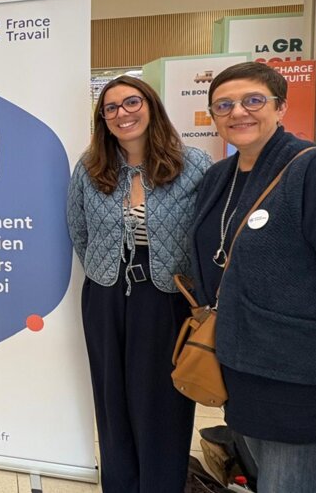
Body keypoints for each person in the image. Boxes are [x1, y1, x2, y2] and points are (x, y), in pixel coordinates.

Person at [67, 75, 212, 493]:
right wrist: (102, 268)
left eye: (131, 103)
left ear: (150, 106)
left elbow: (206, 233)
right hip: (105, 292)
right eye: (110, 108)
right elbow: (78, 228)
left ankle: (162, 484)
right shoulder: (91, 166)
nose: (121, 114)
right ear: (103, 119)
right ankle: (119, 484)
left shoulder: (193, 164)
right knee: (112, 399)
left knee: (161, 401)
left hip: (166, 296)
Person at [191, 61, 316, 492]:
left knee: (289, 480)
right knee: (260, 473)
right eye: (223, 105)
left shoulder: (306, 170)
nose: (237, 112)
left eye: (253, 100)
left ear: (280, 107)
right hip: (236, 359)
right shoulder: (217, 178)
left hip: (293, 369)